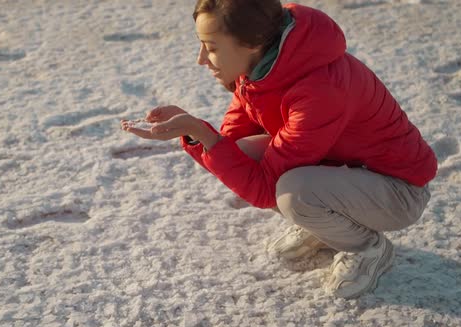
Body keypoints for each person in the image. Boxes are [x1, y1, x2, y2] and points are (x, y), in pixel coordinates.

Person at [120, 0, 436, 299]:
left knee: (293, 193)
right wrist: (194, 133)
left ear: (251, 42)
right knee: (248, 157)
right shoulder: (259, 72)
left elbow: (265, 191)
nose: (201, 59)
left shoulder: (320, 91)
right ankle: (326, 225)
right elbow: (232, 156)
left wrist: (202, 132)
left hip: (398, 191)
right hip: (345, 172)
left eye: (212, 47)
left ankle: (368, 248)